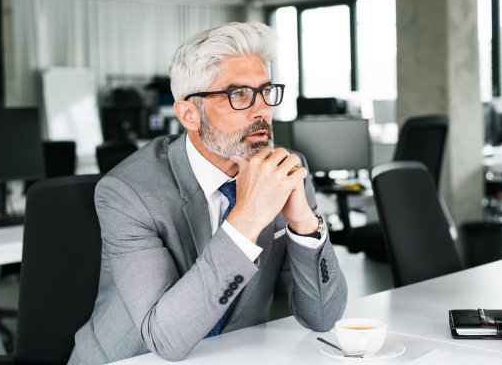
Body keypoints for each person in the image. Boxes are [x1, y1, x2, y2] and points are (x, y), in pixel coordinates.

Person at [69, 22, 347, 364]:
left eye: (266, 91)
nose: (262, 109)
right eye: (239, 94)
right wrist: (247, 217)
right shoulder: (128, 193)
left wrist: (304, 224)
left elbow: (322, 318)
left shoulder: (283, 171)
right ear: (189, 114)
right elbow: (165, 339)